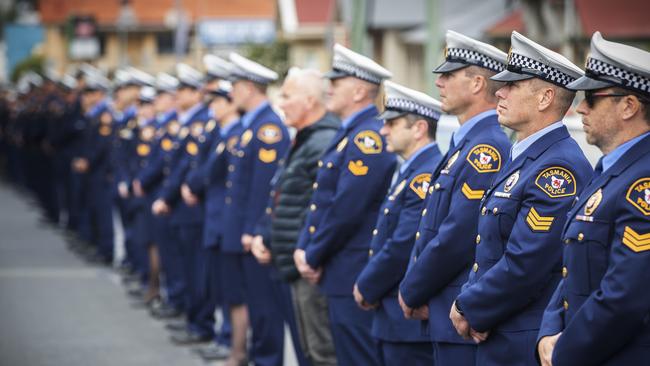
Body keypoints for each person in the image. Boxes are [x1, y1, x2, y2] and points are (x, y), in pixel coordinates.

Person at [449, 31, 593, 365]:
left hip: (520, 341)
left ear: (545, 98)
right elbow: (488, 247)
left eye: (513, 85)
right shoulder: (527, 157)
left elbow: (526, 262)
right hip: (497, 330)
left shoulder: (557, 169)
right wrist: (472, 303)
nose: (499, 91)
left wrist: (469, 306)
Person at [398, 30, 512, 365]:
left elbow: (456, 235)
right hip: (440, 309)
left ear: (478, 83)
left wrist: (411, 289)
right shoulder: (465, 143)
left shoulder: (485, 148)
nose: (439, 83)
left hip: (458, 313)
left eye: (448, 75)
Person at [537, 31, 650, 366]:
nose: (580, 108)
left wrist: (565, 350)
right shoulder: (609, 170)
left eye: (592, 98)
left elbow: (625, 295)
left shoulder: (642, 183)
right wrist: (547, 331)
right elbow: (572, 269)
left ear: (629, 105)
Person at [294, 43, 397, 366]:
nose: (328, 89)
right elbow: (321, 203)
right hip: (338, 265)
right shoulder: (349, 133)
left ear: (358, 91)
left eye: (336, 83)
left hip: (352, 266)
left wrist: (312, 253)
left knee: (356, 356)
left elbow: (346, 207)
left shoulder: (367, 137)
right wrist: (306, 247)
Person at [250, 67, 340, 366]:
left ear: (310, 100)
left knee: (319, 353)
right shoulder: (305, 138)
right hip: (290, 262)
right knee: (307, 351)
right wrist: (265, 235)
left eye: (287, 96)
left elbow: (320, 209)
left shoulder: (322, 141)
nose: (281, 103)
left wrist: (302, 251)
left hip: (306, 264)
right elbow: (283, 195)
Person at [354, 80, 443, 365]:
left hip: (405, 320)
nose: (382, 130)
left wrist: (367, 285)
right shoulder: (410, 170)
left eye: (392, 123)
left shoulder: (424, 175)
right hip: (392, 316)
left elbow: (403, 242)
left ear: (418, 129)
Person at [219, 52, 291, 366]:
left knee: (264, 309)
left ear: (249, 87)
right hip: (243, 232)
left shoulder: (268, 129)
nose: (230, 93)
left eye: (234, 86)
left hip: (254, 235)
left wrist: (252, 231)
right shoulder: (252, 126)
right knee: (252, 302)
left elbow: (264, 190)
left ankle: (267, 360)